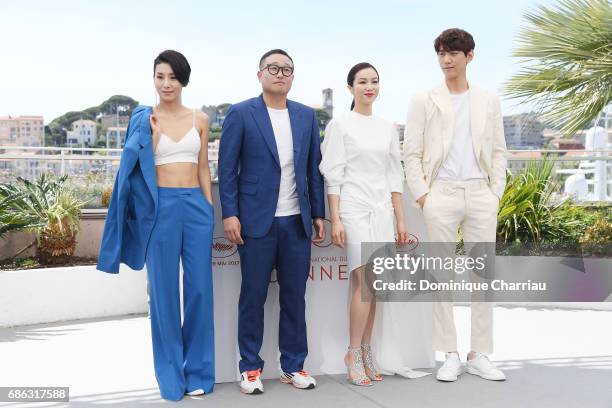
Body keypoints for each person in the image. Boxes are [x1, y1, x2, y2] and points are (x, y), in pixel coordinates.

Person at [97, 50, 215, 400]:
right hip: (159, 208)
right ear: (153, 78)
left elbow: (204, 167)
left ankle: (198, 373)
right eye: (160, 76)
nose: (167, 84)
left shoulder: (201, 119)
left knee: (198, 292)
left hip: (196, 206)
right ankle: (170, 377)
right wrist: (148, 139)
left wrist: (208, 206)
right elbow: (131, 167)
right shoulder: (144, 119)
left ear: (184, 81)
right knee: (163, 295)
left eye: (173, 77)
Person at [218, 49, 326, 394]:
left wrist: (318, 213)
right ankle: (249, 367)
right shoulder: (241, 113)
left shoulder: (307, 117)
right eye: (274, 68)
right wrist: (230, 213)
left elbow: (313, 170)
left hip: (296, 222)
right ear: (260, 74)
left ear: (293, 77)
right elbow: (227, 169)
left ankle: (293, 365)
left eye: (287, 70)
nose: (280, 74)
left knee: (295, 297)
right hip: (255, 221)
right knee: (252, 296)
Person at [403, 28, 508, 382]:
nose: (446, 60)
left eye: (453, 53)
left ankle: (479, 353)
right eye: (441, 54)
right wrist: (423, 195)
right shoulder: (424, 99)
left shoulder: (488, 99)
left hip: (481, 193)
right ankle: (449, 353)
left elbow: (498, 150)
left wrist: (495, 192)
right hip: (441, 195)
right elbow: (411, 152)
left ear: (470, 56)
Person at [320, 63, 431, 386]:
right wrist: (336, 218)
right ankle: (352, 353)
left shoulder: (386, 127)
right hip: (354, 211)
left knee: (375, 287)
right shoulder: (340, 125)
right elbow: (334, 176)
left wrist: (400, 219)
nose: (369, 86)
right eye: (362, 81)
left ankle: (367, 351)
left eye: (374, 81)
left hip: (383, 211)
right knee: (365, 282)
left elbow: (394, 176)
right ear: (350, 87)